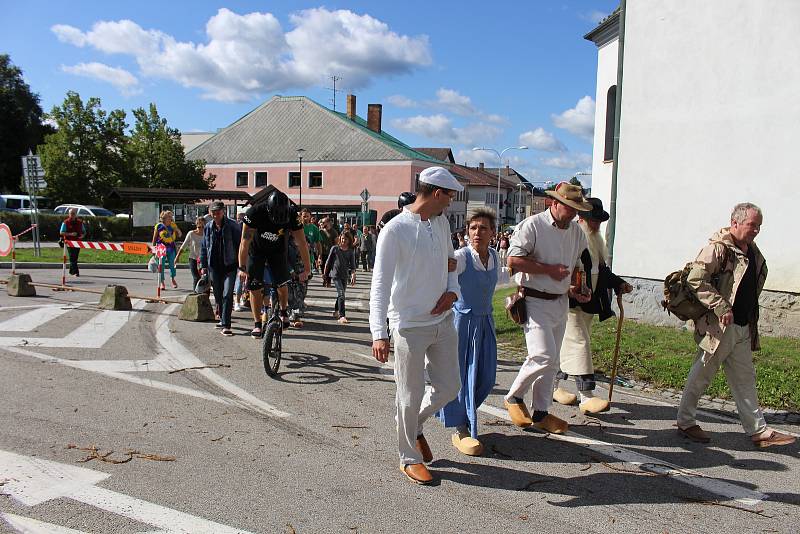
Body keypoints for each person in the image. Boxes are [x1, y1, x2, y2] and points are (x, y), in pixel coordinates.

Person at [369, 166, 463, 486]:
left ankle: (412, 424)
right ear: (436, 193)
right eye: (448, 196)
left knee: (449, 387)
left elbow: (451, 264)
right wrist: (378, 332)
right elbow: (379, 284)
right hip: (409, 325)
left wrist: (453, 291)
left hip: (442, 320)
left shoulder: (442, 222)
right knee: (409, 394)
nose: (450, 203)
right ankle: (408, 457)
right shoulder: (395, 230)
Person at [676, 203, 795, 448]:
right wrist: (721, 307)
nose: (756, 230)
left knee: (745, 380)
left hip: (742, 326)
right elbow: (695, 279)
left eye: (759, 226)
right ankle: (685, 422)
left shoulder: (750, 249)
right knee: (702, 374)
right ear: (735, 223)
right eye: (753, 225)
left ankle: (758, 431)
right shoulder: (718, 248)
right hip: (720, 327)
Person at [503, 182, 592, 435]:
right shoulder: (533, 225)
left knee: (552, 363)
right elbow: (513, 260)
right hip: (533, 299)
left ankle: (541, 412)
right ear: (554, 203)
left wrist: (575, 288)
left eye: (577, 209)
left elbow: (576, 265)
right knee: (542, 355)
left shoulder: (576, 231)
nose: (574, 214)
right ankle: (513, 397)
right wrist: (549, 270)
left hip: (559, 300)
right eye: (570, 208)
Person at [551, 198, 633, 414]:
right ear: (583, 218)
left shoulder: (596, 240)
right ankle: (586, 396)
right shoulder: (573, 237)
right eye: (593, 220)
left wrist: (618, 283)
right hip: (569, 302)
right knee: (580, 344)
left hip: (589, 304)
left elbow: (601, 271)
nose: (596, 225)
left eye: (598, 221)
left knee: (566, 345)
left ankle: (553, 386)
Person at [436, 207, 499, 456]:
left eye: (483, 228)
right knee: (462, 377)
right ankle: (461, 427)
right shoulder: (462, 256)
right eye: (473, 228)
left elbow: (499, 279)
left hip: (485, 322)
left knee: (486, 375)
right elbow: (446, 272)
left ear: (492, 233)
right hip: (462, 323)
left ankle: (465, 415)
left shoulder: (494, 256)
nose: (477, 232)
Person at [239, 189, 311, 338]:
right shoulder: (255, 212)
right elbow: (244, 241)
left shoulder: (292, 214)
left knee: (282, 282)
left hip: (278, 251)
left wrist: (307, 269)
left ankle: (284, 311)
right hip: (257, 251)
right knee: (254, 286)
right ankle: (257, 323)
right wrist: (242, 267)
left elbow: (302, 243)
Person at [200, 201, 242, 336]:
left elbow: (241, 246)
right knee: (218, 295)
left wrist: (242, 266)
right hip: (214, 267)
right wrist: (204, 266)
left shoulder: (233, 226)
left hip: (230, 265)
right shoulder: (208, 226)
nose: (215, 215)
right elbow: (204, 247)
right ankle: (222, 316)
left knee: (227, 294)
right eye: (213, 212)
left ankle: (226, 324)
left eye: (218, 212)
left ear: (223, 211)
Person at [324, 231, 357, 324]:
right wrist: (325, 276)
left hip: (345, 275)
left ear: (349, 240)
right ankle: (342, 316)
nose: (343, 240)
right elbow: (328, 262)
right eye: (342, 238)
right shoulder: (335, 248)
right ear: (339, 238)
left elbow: (353, 265)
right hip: (335, 275)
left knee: (340, 295)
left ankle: (336, 311)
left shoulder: (351, 251)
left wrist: (353, 274)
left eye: (345, 239)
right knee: (342, 294)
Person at [151, 210, 182, 290]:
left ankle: (173, 279)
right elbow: (154, 238)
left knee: (173, 264)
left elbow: (179, 233)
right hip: (161, 248)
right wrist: (153, 249)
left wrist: (178, 231)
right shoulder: (159, 226)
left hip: (171, 248)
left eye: (171, 216)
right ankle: (162, 282)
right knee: (161, 266)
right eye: (169, 216)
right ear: (164, 218)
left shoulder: (173, 225)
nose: (171, 218)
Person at [177, 217, 205, 290]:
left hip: (203, 259)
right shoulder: (191, 233)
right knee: (196, 277)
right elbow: (183, 246)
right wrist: (177, 257)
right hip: (193, 258)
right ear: (196, 225)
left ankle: (203, 294)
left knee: (204, 278)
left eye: (202, 226)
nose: (201, 228)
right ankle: (195, 293)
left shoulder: (206, 234)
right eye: (199, 226)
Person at [59, 208, 85, 277]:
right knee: (72, 257)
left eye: (74, 213)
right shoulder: (65, 222)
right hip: (69, 242)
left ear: (76, 214)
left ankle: (71, 271)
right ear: (69, 214)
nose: (72, 215)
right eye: (71, 213)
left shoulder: (80, 222)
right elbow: (61, 232)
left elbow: (84, 231)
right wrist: (70, 234)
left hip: (78, 242)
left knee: (75, 257)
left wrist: (82, 236)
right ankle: (76, 272)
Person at [300, 208, 322, 274]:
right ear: (301, 216)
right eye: (304, 216)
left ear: (310, 216)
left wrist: (319, 257)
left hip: (309, 256)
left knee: (306, 277)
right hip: (297, 257)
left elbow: (318, 243)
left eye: (307, 216)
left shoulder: (314, 228)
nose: (306, 218)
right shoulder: (297, 227)